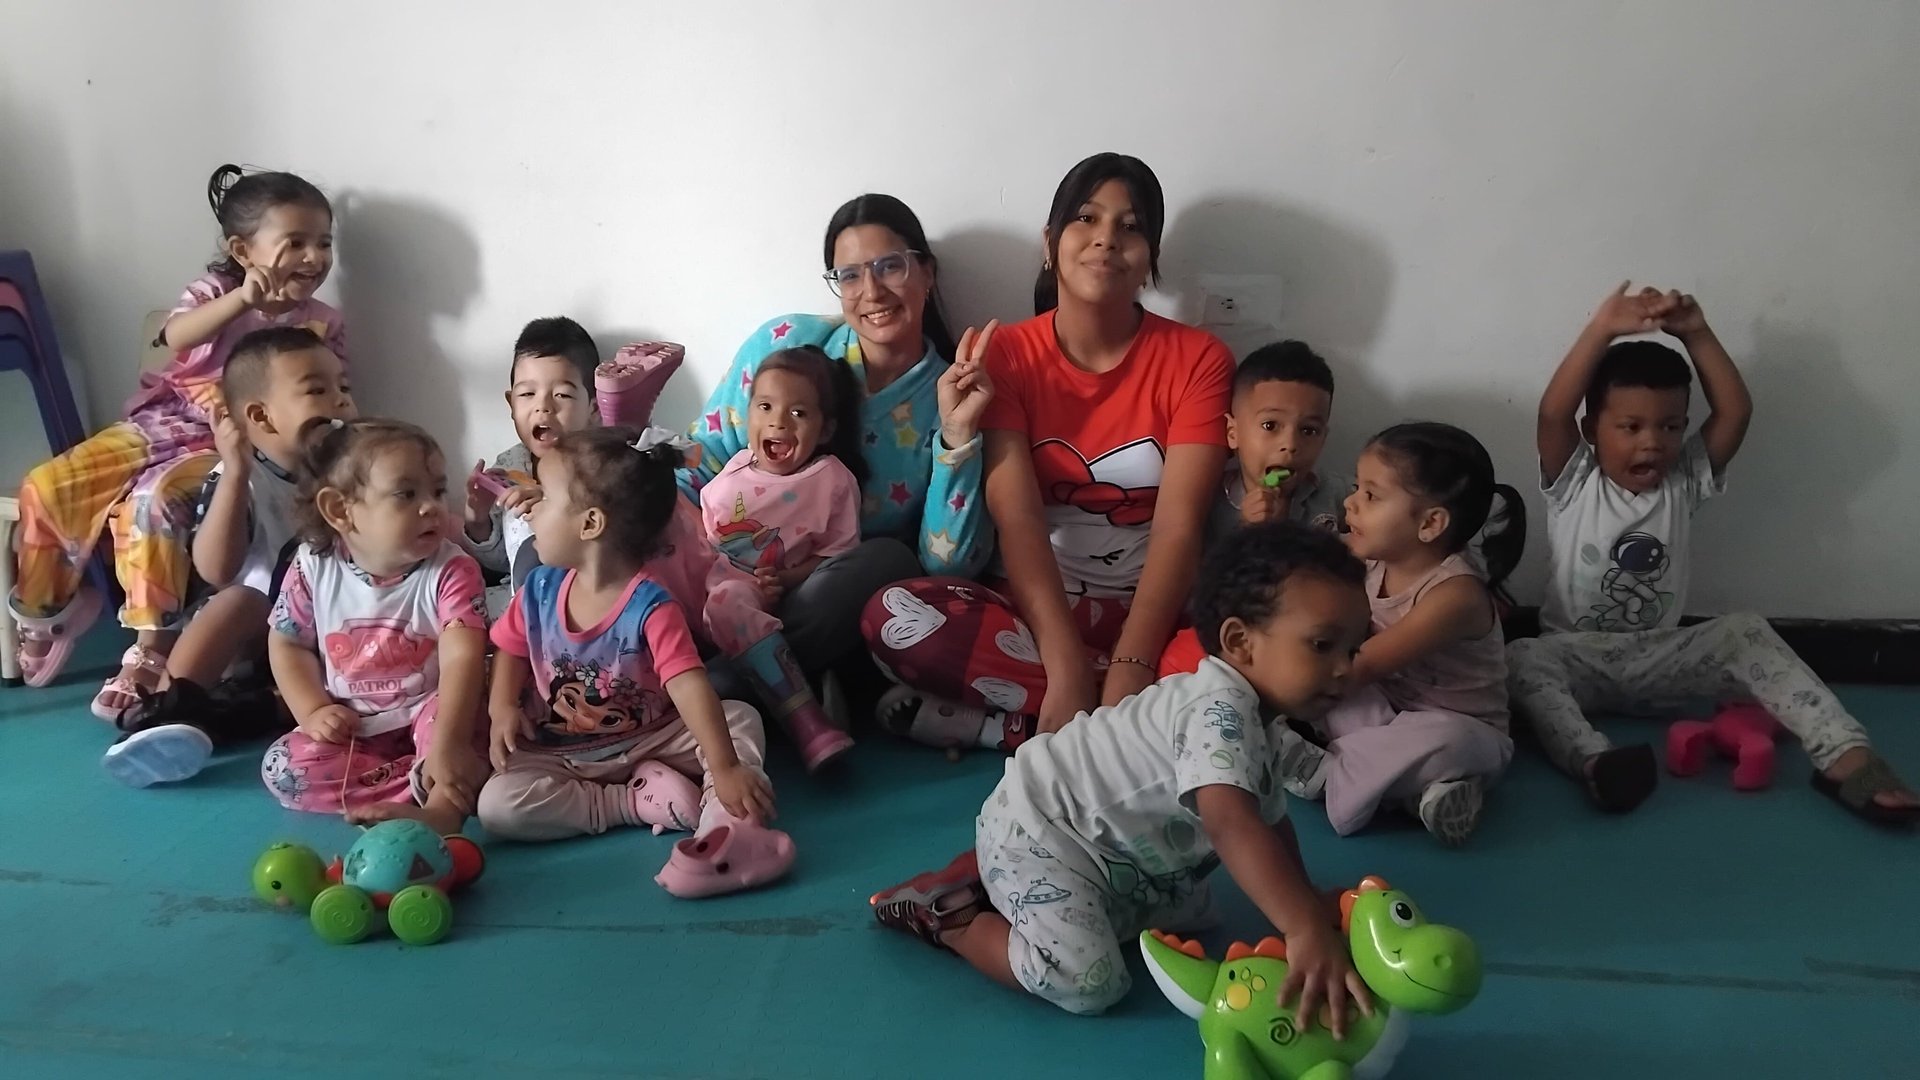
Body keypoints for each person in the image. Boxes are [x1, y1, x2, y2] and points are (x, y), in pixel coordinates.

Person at [869, 522, 1374, 1027]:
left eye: (1353, 649)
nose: (1344, 668)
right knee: (1089, 981)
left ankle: (997, 885)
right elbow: (1231, 824)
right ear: (1240, 641)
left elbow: (1270, 822)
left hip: (1107, 848)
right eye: (1322, 644)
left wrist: (1305, 904)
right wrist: (1304, 928)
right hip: (1039, 827)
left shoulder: (1261, 723)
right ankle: (949, 917)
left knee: (1192, 916)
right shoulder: (1218, 710)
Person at [1507, 283, 1918, 826]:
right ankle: (1595, 760)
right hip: (1576, 658)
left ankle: (1845, 755)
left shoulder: (1683, 481)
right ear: (1592, 430)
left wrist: (1696, 333)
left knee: (1744, 630)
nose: (1652, 442)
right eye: (1630, 427)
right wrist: (1602, 328)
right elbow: (1552, 414)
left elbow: (1735, 411)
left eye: (1670, 426)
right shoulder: (1575, 481)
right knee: (1520, 659)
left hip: (1663, 660)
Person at [864, 153, 1233, 751]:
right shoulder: (1006, 352)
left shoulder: (1199, 359)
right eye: (1087, 219)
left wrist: (1135, 663)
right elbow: (1019, 516)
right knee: (894, 616)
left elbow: (1179, 527)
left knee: (1250, 654)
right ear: (1051, 241)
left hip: (1157, 613)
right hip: (1035, 617)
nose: (1107, 240)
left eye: (1131, 226)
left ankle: (1015, 724)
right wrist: (1063, 664)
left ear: (1151, 258)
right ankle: (1124, 719)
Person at [10, 165, 345, 718]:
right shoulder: (214, 292)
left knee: (153, 504)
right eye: (297, 242)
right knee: (48, 485)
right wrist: (241, 301)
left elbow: (333, 389)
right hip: (161, 421)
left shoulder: (320, 324)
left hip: (221, 442)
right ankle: (47, 610)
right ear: (242, 250)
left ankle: (149, 650)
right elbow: (174, 336)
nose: (314, 257)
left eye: (324, 243)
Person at [682, 194, 994, 699]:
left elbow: (949, 566)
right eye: (849, 275)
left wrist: (957, 438)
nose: (871, 291)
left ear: (927, 273)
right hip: (724, 576)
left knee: (888, 560)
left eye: (890, 266)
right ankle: (775, 687)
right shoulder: (785, 345)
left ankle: (722, 688)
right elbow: (701, 462)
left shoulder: (951, 391)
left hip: (822, 595)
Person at [480, 428, 795, 899]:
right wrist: (502, 707)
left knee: (739, 720)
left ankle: (722, 821)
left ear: (589, 525)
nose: (531, 512)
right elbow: (510, 647)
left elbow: (688, 685)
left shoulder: (650, 604)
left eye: (543, 499)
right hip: (567, 754)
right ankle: (628, 803)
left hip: (656, 736)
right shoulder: (538, 591)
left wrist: (726, 766)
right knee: (496, 807)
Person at [103, 326, 356, 785]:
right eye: (318, 390)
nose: (339, 401)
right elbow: (215, 569)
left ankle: (224, 717)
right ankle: (165, 711)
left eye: (344, 388)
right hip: (252, 633)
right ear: (261, 416)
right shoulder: (243, 477)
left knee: (322, 700)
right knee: (240, 600)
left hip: (316, 647)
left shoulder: (353, 470)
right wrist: (236, 470)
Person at [1300, 422, 1526, 846]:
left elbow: (1365, 663)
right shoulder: (1372, 557)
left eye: (1371, 495)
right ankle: (1424, 795)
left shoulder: (1453, 595)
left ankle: (1325, 773)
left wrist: (1281, 689)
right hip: (1385, 711)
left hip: (1465, 731)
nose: (1351, 503)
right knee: (1341, 694)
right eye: (1356, 487)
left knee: (1441, 737)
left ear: (1430, 524)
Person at [260, 418, 488, 835]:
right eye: (407, 494)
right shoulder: (314, 566)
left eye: (438, 490)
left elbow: (464, 655)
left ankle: (440, 810)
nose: (431, 506)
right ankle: (418, 785)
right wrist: (313, 710)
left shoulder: (452, 570)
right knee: (283, 768)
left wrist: (449, 743)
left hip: (433, 710)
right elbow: (287, 643)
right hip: (356, 726)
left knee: (467, 729)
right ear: (340, 510)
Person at [698, 346, 867, 770]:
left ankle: (806, 722)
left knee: (726, 604)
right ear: (747, 414)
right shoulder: (735, 466)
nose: (777, 421)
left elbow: (839, 554)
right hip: (699, 587)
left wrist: (786, 580)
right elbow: (706, 535)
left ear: (825, 429)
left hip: (754, 599)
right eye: (766, 407)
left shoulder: (829, 479)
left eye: (798, 413)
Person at [1160, 338, 1350, 678]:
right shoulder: (1208, 499)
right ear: (1232, 433)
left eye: (1309, 430)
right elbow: (1198, 593)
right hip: (1233, 643)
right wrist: (1251, 538)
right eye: (1270, 426)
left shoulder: (1337, 497)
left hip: (1312, 643)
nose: (1290, 445)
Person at [462, 317, 599, 615]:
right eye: (527, 394)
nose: (543, 406)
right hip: (522, 604)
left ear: (594, 408)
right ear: (511, 404)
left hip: (580, 603)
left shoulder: (599, 468)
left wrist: (550, 509)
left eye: (562, 394)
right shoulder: (510, 466)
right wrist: (478, 519)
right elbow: (503, 561)